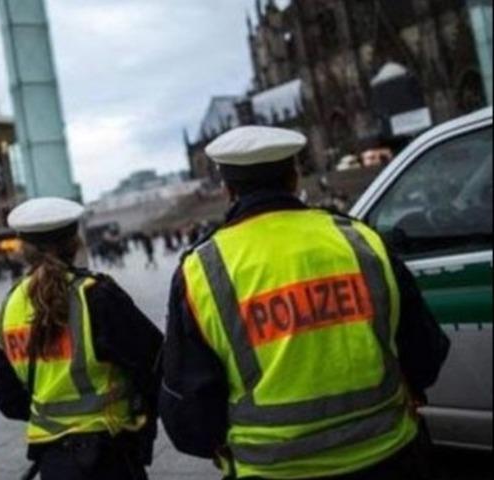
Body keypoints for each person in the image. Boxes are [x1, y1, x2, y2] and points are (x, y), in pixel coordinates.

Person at [160, 126, 451, 480]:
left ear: (227, 189)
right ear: (295, 177)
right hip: (390, 457)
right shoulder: (360, 240)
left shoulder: (202, 270)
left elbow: (188, 417)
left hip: (272, 470)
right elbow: (426, 354)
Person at [0, 197, 164, 480]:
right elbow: (156, 362)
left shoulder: (6, 309)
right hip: (111, 454)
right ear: (75, 244)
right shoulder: (97, 295)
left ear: (24, 251)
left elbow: (6, 398)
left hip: (54, 460)